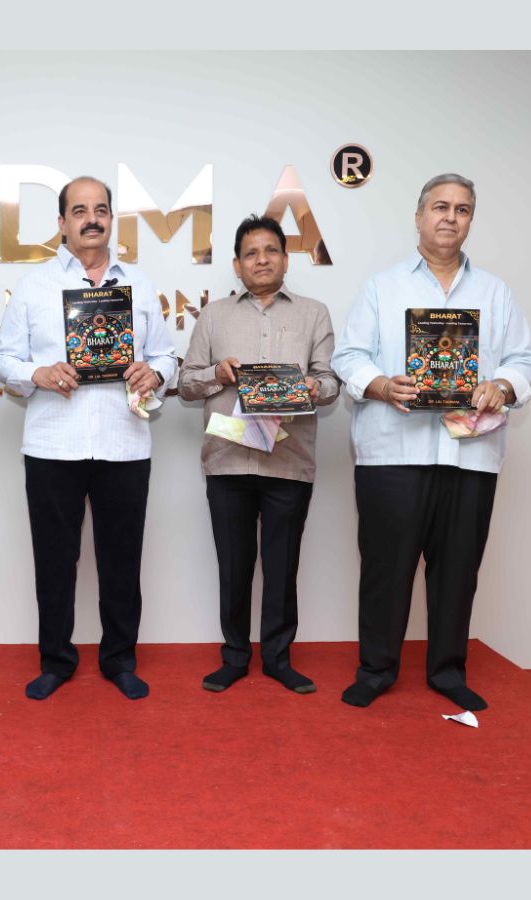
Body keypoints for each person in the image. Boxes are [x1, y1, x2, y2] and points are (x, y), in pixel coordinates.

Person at [331, 173, 531, 711]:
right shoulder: (382, 287)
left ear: (470, 220)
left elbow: (527, 360)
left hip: (469, 454)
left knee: (458, 572)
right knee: (386, 570)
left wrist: (502, 386)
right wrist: (381, 385)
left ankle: (448, 671)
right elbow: (348, 356)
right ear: (419, 216)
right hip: (392, 453)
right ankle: (376, 670)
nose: (450, 217)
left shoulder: (495, 292)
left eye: (462, 209)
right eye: (440, 206)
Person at [0, 176, 178, 701]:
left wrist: (155, 373)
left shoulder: (139, 284)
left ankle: (120, 660)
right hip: (53, 445)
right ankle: (56, 661)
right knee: (54, 562)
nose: (91, 219)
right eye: (79, 210)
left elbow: (165, 355)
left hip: (124, 443)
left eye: (100, 209)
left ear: (111, 218)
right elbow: (1, 360)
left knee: (122, 561)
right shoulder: (34, 285)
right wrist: (38, 373)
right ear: (61, 222)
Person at [179, 214, 339, 694]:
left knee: (282, 567)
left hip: (288, 461)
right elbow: (186, 384)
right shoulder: (214, 316)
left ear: (286, 260)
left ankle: (277, 658)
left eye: (271, 251)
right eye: (251, 253)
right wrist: (217, 374)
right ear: (237, 264)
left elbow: (331, 382)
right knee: (233, 566)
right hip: (228, 457)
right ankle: (234, 656)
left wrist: (314, 387)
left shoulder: (314, 313)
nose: (261, 260)